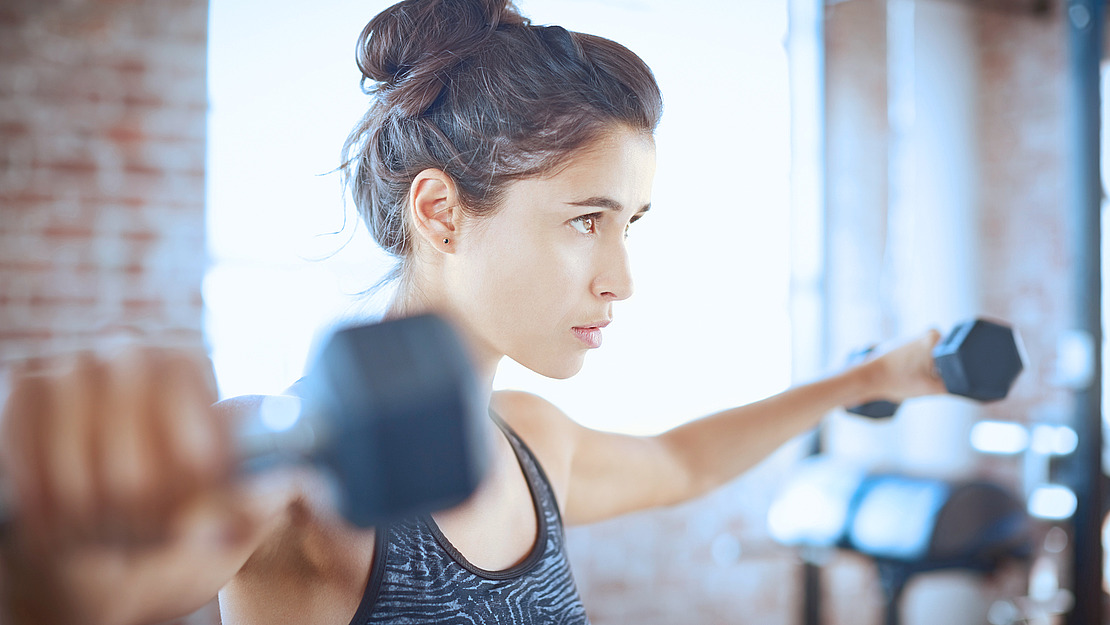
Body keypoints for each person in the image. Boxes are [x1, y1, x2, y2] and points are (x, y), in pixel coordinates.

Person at [0, 0, 946, 623]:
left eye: (632, 224)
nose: (622, 277)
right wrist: (52, 583)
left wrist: (870, 378)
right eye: (586, 220)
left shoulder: (534, 442)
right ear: (441, 211)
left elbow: (683, 459)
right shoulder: (290, 456)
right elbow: (109, 584)